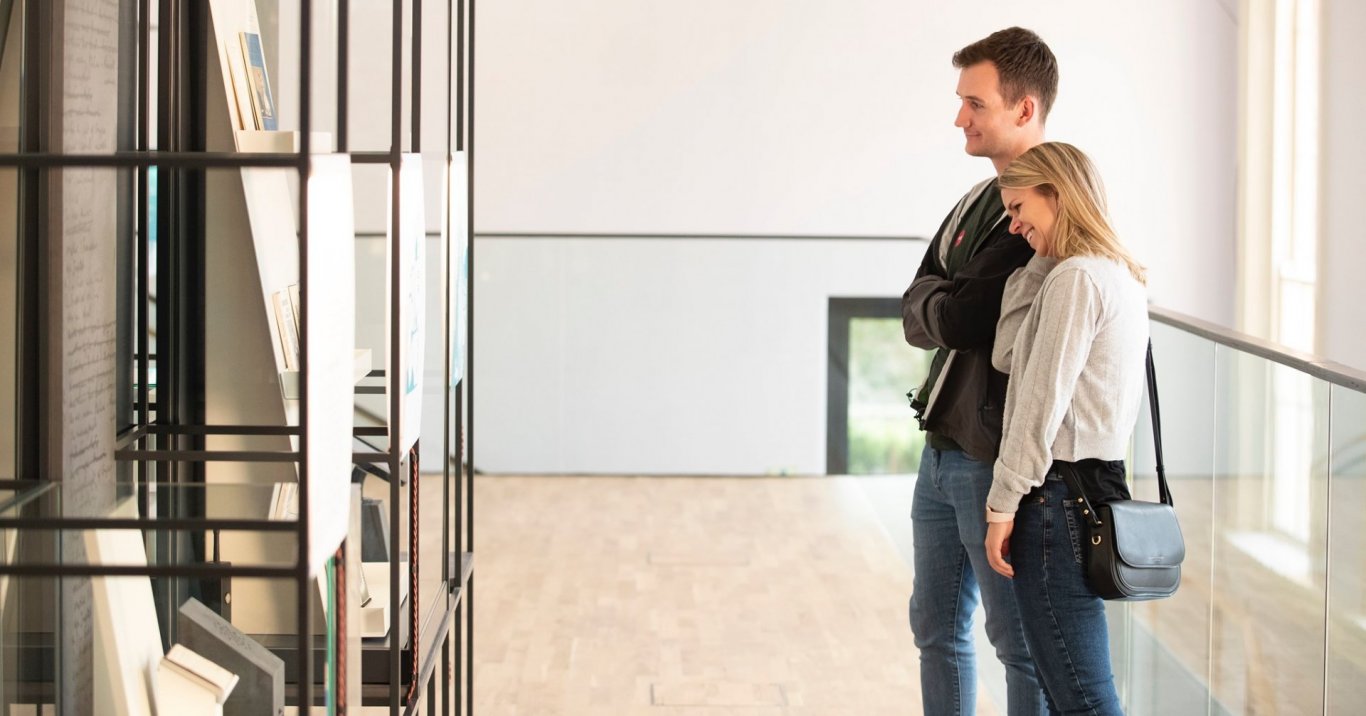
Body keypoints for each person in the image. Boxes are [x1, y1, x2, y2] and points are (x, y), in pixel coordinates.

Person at [901, 26, 1057, 716]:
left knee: (1017, 645)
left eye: (975, 103)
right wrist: (948, 300)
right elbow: (917, 304)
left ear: (1024, 110)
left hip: (993, 460)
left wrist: (946, 302)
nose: (959, 117)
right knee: (934, 631)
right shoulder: (974, 202)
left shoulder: (1048, 207)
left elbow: (961, 321)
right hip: (941, 449)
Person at [983, 141, 1149, 715]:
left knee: (1079, 697)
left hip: (1056, 495)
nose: (1013, 224)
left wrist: (1001, 505)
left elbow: (1037, 405)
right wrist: (1040, 258)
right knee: (1069, 691)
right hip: (1092, 488)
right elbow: (1009, 353)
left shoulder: (1077, 280)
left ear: (1056, 193)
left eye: (1019, 207)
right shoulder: (1113, 275)